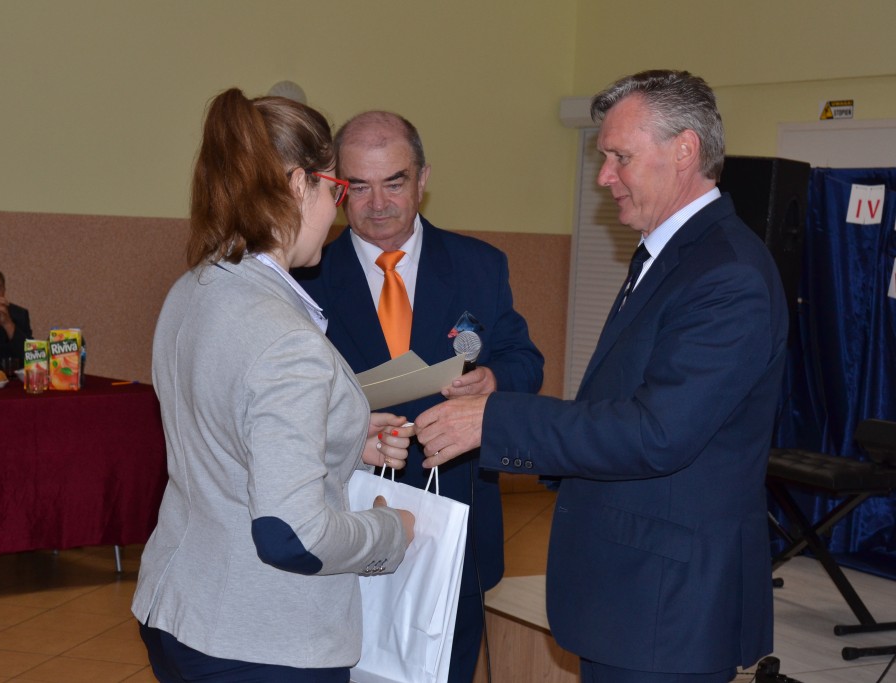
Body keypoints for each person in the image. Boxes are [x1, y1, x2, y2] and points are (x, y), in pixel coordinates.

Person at [415, 70, 789, 682]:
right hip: (631, 593)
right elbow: (620, 403)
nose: (604, 177)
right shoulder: (673, 254)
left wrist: (495, 419)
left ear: (685, 150)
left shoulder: (727, 274)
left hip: (666, 607)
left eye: (620, 157)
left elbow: (658, 432)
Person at [131, 88, 416, 683]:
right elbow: (291, 534)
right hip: (263, 639)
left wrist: (341, 439)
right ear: (297, 185)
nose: (338, 212)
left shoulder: (194, 288)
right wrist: (392, 533)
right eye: (336, 190)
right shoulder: (286, 337)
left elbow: (223, 429)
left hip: (180, 606)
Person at [295, 111, 543, 683]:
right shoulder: (306, 275)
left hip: (454, 513)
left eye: (394, 182)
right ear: (336, 189)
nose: (378, 203)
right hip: (344, 517)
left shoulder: (479, 266)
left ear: (424, 178)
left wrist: (493, 380)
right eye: (359, 186)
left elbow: (524, 358)